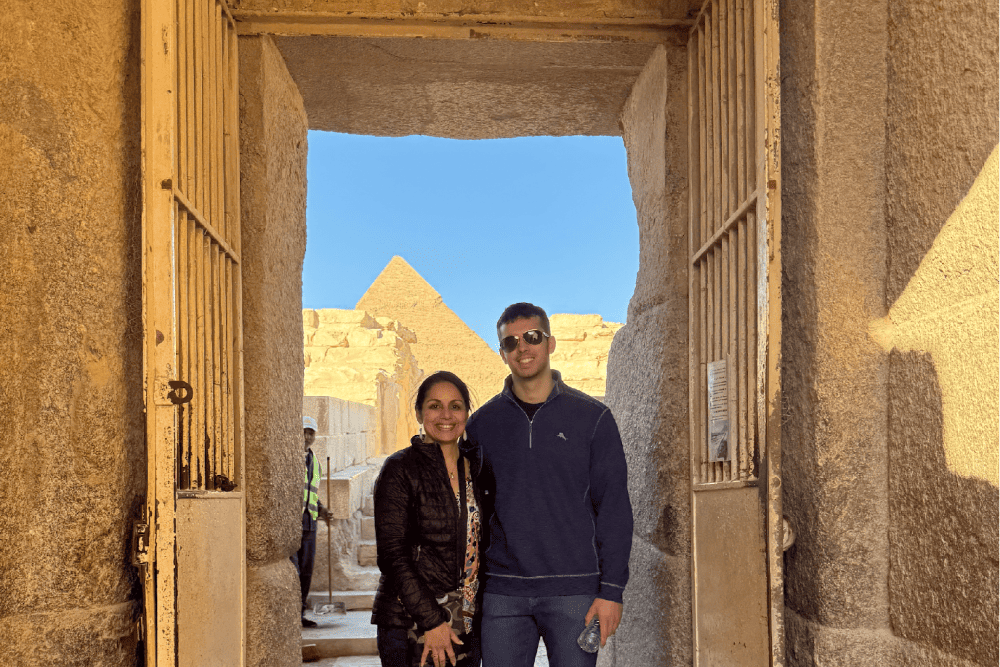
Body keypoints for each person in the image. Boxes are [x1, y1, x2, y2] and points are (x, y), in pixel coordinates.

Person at [465, 302, 633, 667]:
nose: (522, 347)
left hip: (575, 591)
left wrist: (612, 591)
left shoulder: (594, 419)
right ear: (501, 353)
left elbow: (615, 509)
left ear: (550, 343)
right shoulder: (482, 425)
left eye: (531, 337)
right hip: (504, 592)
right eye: (510, 342)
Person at [371, 371, 483, 667]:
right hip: (412, 622)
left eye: (456, 406)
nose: (445, 415)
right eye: (434, 406)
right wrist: (432, 622)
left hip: (466, 623)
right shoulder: (399, 469)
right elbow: (393, 556)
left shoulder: (478, 469)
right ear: (419, 412)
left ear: (467, 412)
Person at [293, 415, 331, 628]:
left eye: (311, 433)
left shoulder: (315, 461)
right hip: (293, 521)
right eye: (304, 432)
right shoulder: (291, 458)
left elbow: (312, 493)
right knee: (294, 571)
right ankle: (291, 614)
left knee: (306, 571)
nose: (307, 436)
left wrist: (323, 510)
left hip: (310, 522)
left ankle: (300, 614)